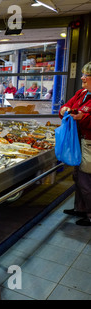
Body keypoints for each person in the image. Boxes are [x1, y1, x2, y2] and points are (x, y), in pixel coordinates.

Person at [59, 61, 91, 226]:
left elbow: (85, 118)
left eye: (86, 75)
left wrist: (82, 118)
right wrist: (64, 109)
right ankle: (80, 208)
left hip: (89, 144)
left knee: (86, 180)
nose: (82, 78)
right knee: (77, 177)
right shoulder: (82, 93)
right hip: (78, 142)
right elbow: (67, 106)